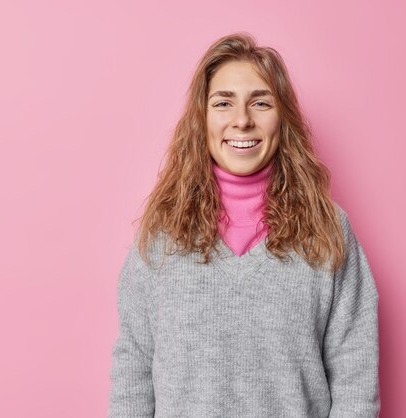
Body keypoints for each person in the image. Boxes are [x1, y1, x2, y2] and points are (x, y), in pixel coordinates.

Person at [108, 32, 380, 418]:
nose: (242, 120)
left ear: (282, 118)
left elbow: (355, 379)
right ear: (202, 119)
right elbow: (133, 365)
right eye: (223, 103)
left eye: (261, 103)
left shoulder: (327, 229)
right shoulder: (162, 233)